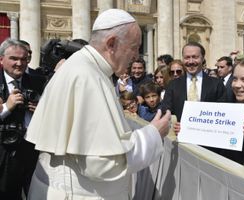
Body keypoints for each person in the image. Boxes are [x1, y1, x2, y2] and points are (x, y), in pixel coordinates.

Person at [25, 9, 171, 199]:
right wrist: (153, 134)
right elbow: (102, 164)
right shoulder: (88, 77)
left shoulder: (83, 67)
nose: (136, 56)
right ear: (111, 43)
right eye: (134, 47)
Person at [0, 38, 45, 199]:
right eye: (14, 58)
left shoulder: (38, 81)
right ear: (1, 59)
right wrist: (6, 107)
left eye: (24, 59)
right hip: (4, 153)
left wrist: (42, 111)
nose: (19, 63)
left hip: (33, 152)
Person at [162, 42, 227, 133]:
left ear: (203, 58)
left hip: (208, 140)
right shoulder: (173, 85)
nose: (191, 61)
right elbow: (166, 110)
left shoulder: (217, 84)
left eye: (195, 57)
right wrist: (173, 123)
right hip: (180, 139)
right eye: (187, 57)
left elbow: (223, 113)